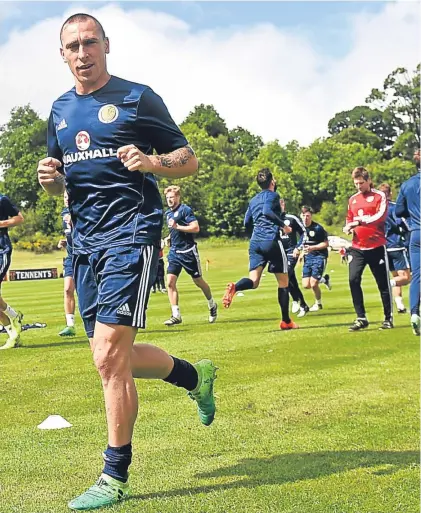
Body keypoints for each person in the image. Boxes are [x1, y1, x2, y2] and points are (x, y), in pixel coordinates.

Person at [37, 13, 217, 511]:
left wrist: (152, 162)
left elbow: (189, 158)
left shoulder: (137, 98)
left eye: (89, 42)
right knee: (114, 357)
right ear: (62, 54)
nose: (81, 53)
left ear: (106, 45)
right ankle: (194, 377)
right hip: (84, 243)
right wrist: (49, 178)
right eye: (72, 45)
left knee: (107, 358)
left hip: (131, 236)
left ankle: (114, 475)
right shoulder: (59, 110)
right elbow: (59, 185)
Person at [222, 168, 298, 330]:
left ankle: (235, 287)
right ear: (272, 182)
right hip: (271, 240)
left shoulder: (253, 200)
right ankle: (286, 321)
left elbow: (246, 222)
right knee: (284, 282)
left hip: (255, 242)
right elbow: (267, 211)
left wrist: (255, 234)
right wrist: (283, 225)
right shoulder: (273, 196)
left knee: (254, 281)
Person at [343, 167, 392, 331]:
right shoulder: (353, 199)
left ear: (368, 180)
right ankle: (361, 317)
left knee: (382, 283)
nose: (358, 186)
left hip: (376, 246)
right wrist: (348, 227)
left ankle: (388, 317)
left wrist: (360, 222)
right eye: (356, 183)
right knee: (353, 279)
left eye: (361, 183)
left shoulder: (379, 196)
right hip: (357, 247)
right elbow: (349, 217)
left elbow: (380, 217)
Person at [163, 186, 217, 325]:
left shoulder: (185, 210)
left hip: (188, 252)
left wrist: (177, 227)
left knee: (198, 281)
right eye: (167, 197)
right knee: (170, 282)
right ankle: (176, 315)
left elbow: (195, 228)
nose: (169, 200)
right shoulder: (168, 214)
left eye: (172, 197)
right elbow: (174, 230)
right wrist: (169, 237)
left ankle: (212, 304)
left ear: (178, 197)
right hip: (174, 252)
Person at [395, 149, 420, 335]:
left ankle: (414, 313)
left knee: (417, 277)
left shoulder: (406, 184)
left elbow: (399, 211)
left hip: (416, 234)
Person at [378, 183, 411, 314]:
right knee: (406, 278)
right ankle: (387, 284)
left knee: (397, 275)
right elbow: (403, 223)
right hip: (396, 246)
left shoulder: (376, 210)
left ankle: (400, 305)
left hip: (383, 247)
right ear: (390, 194)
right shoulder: (394, 208)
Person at [293, 206, 330, 313]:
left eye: (308, 216)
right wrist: (299, 253)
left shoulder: (318, 228)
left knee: (314, 284)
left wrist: (313, 248)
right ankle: (324, 279)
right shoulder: (301, 229)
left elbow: (326, 243)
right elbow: (302, 243)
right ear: (300, 216)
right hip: (308, 258)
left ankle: (318, 304)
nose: (305, 218)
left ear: (311, 216)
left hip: (319, 256)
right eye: (303, 216)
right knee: (306, 285)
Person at [0, 194, 24, 350]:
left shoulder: (2, 200)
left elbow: (19, 218)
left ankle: (14, 321)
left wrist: (2, 223)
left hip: (1, 250)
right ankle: (13, 326)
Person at [279, 198, 309, 317]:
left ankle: (296, 300)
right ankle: (303, 305)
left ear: (284, 205)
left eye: (281, 203)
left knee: (286, 275)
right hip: (279, 253)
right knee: (291, 279)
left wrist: (298, 247)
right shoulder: (272, 220)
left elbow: (304, 232)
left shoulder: (291, 218)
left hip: (292, 252)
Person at [57, 191, 77, 336]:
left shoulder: (82, 209)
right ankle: (70, 325)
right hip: (71, 256)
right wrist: (65, 241)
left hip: (85, 255)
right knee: (67, 289)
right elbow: (69, 233)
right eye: (64, 197)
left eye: (68, 197)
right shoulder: (64, 213)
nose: (66, 199)